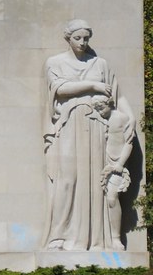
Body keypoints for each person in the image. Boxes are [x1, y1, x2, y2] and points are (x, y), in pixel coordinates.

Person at [42, 19, 123, 251]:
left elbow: (113, 99)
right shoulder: (55, 62)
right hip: (68, 125)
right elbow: (60, 89)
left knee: (96, 180)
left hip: (96, 126)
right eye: (78, 38)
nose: (83, 42)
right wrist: (93, 86)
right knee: (67, 179)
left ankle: (98, 238)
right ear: (68, 38)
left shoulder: (100, 63)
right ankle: (58, 236)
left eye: (86, 38)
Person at [93, 95, 135, 250]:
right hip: (100, 163)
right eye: (97, 109)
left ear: (109, 104)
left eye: (101, 108)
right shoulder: (97, 120)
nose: (100, 112)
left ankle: (116, 239)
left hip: (116, 165)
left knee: (112, 198)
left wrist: (120, 163)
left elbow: (128, 143)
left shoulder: (122, 118)